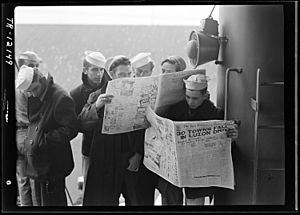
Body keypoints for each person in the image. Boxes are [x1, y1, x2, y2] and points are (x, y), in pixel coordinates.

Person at [157, 74, 239, 205]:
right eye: (188, 97)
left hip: (198, 169)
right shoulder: (175, 109)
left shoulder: (215, 114)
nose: (190, 102)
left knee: (194, 201)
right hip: (175, 166)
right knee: (171, 200)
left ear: (205, 95)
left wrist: (231, 138)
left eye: (195, 98)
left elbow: (223, 146)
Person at [81, 55, 141, 206]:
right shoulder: (96, 96)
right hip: (105, 158)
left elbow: (144, 126)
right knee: (105, 201)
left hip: (128, 155)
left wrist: (138, 154)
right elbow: (81, 123)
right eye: (122, 74)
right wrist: (96, 106)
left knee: (135, 200)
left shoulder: (138, 94)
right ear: (112, 74)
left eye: (129, 74)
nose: (126, 78)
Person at [15, 65, 78, 206]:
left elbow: (71, 128)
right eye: (29, 92)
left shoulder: (60, 97)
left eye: (34, 89)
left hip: (53, 166)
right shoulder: (40, 95)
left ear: (41, 80)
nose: (33, 94)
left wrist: (42, 140)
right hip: (40, 165)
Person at [70, 51, 111, 196]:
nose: (99, 73)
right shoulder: (76, 94)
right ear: (85, 70)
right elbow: (75, 125)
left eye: (101, 69)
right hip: (91, 147)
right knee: (91, 192)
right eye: (94, 69)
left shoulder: (114, 87)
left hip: (114, 148)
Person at [129, 52, 159, 205]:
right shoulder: (127, 89)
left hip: (149, 152)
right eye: (138, 72)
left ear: (151, 72)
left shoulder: (157, 90)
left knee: (145, 195)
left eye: (145, 71)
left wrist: (139, 153)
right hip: (128, 151)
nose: (141, 75)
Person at [15, 51, 43, 206]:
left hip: (18, 134)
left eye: (38, 66)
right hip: (30, 133)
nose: (37, 69)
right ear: (25, 66)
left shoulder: (13, 84)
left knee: (23, 181)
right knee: (34, 182)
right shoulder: (29, 86)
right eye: (34, 66)